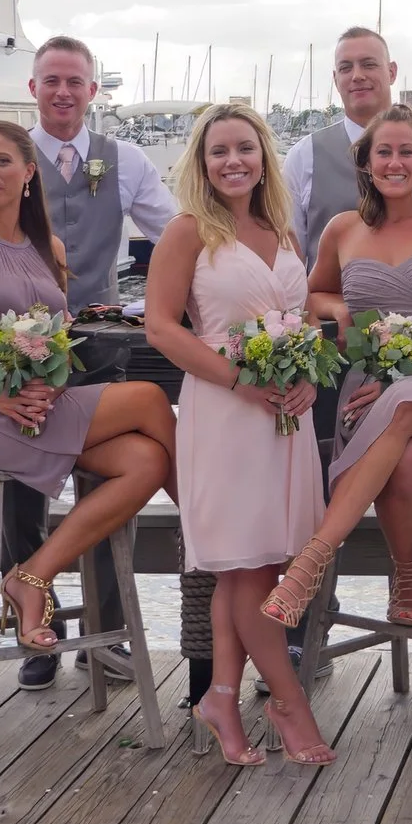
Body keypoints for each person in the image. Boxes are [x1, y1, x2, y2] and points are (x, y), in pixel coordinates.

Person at [0, 123, 177, 668]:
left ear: (30, 172)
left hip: (38, 408)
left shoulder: (47, 247)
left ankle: (32, 576)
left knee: (146, 460)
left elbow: (55, 338)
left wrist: (47, 382)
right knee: (148, 400)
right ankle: (202, 538)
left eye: (2, 161)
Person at [269, 108, 412, 681]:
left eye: (406, 152)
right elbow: (311, 296)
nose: (395, 162)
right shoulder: (343, 229)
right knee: (406, 456)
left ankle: (309, 563)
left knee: (405, 402)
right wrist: (339, 309)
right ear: (367, 165)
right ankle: (406, 571)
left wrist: (411, 372)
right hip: (365, 393)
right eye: (384, 153)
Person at [145, 104, 332, 764]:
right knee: (248, 563)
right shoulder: (189, 231)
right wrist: (238, 381)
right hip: (227, 409)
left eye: (244, 148)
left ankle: (222, 694)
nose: (232, 161)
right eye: (218, 150)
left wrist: (308, 372)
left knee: (255, 565)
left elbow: (299, 315)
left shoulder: (282, 230)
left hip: (287, 412)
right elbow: (162, 327)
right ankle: (289, 702)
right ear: (201, 161)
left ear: (263, 157)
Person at [13, 36, 178, 690]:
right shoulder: (7, 154)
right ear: (33, 88)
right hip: (20, 351)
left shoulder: (124, 159)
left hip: (102, 345)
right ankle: (35, 635)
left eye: (74, 81)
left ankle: (105, 636)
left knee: (114, 491)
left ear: (92, 91)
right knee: (22, 492)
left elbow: (175, 231)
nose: (62, 91)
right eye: (50, 80)